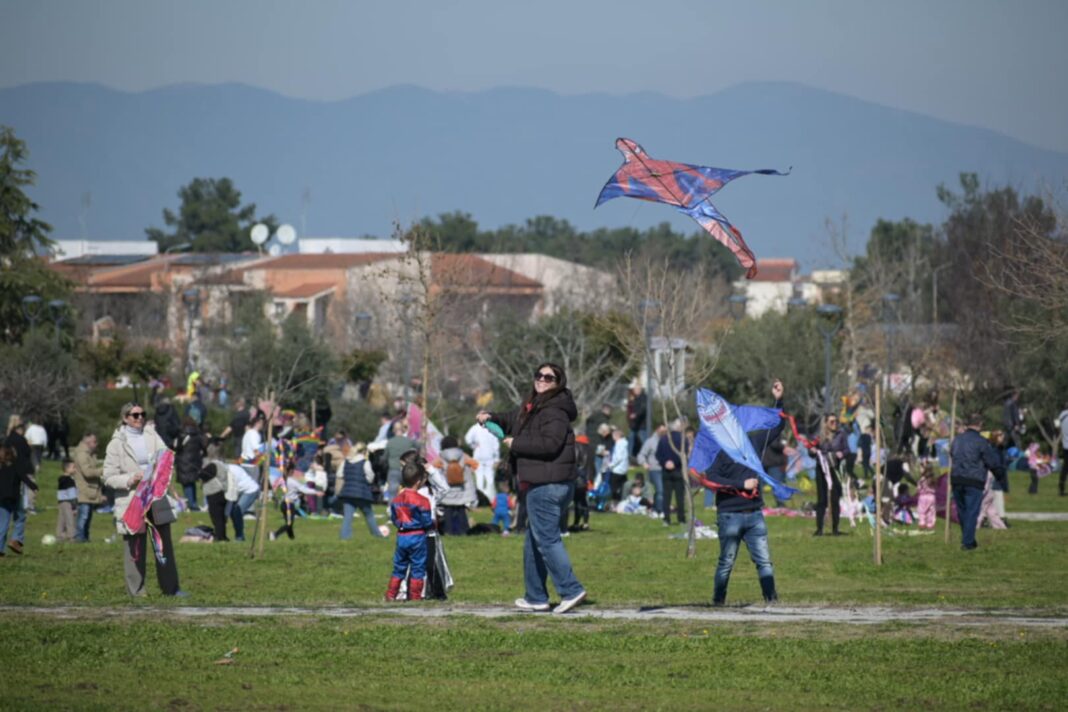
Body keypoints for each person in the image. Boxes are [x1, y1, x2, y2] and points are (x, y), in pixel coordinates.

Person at [479, 362, 587, 614]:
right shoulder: (536, 406)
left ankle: (571, 590)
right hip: (543, 483)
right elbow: (514, 419)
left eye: (549, 378)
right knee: (533, 541)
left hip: (549, 484)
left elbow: (549, 444)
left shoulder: (555, 410)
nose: (542, 380)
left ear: (558, 382)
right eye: (539, 375)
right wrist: (491, 417)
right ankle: (536, 596)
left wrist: (516, 443)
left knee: (547, 540)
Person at [691, 379, 785, 607]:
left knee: (765, 561)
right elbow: (712, 478)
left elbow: (778, 425)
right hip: (729, 514)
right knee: (726, 561)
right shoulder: (717, 450)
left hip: (754, 513)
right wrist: (741, 483)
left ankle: (771, 600)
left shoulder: (752, 441)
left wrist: (780, 399)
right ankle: (718, 600)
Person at [103, 402, 184, 596]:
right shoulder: (116, 443)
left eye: (142, 414)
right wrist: (131, 478)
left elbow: (165, 458)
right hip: (133, 500)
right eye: (135, 415)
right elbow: (108, 476)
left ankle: (171, 589)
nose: (140, 418)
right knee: (135, 548)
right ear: (125, 418)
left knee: (163, 545)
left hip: (156, 498)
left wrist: (159, 471)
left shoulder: (151, 434)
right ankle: (137, 591)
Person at [950, 413, 1005, 551]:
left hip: (956, 478)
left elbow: (952, 454)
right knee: (972, 511)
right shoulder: (981, 442)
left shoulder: (956, 440)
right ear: (980, 425)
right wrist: (999, 474)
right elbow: (991, 460)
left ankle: (969, 539)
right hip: (973, 480)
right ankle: (967, 543)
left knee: (962, 511)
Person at [385, 461, 435, 601]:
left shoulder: (396, 500)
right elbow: (426, 521)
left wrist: (401, 524)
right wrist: (431, 526)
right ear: (419, 481)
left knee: (399, 567)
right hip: (418, 536)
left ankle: (390, 594)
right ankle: (415, 597)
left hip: (402, 536)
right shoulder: (423, 500)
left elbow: (394, 518)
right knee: (418, 567)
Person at [0, 416, 38, 555]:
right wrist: (33, 485)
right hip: (14, 494)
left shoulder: (1, 465)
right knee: (20, 515)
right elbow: (23, 476)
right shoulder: (16, 464)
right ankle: (16, 539)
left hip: (1, 498)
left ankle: (0, 548)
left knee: (2, 523)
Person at [335, 442, 386, 540]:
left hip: (347, 493)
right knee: (369, 515)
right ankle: (377, 535)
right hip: (362, 493)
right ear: (364, 451)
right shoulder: (364, 462)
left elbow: (339, 474)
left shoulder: (346, 461)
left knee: (347, 517)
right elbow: (370, 477)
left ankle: (344, 537)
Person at [811, 413, 849, 536]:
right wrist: (812, 451)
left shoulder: (841, 434)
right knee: (821, 499)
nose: (835, 424)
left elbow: (847, 449)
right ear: (826, 423)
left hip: (835, 469)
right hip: (821, 469)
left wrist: (842, 454)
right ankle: (819, 529)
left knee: (835, 498)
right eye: (832, 422)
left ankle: (835, 528)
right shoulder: (819, 436)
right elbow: (812, 450)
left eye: (836, 421)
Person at [434, 436, 478, 536]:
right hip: (462, 490)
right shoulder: (464, 456)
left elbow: (434, 470)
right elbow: (475, 465)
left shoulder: (440, 458)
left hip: (447, 491)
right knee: (461, 511)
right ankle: (463, 530)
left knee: (448, 512)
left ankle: (448, 531)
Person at [71, 432, 105, 542]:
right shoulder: (82, 454)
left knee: (88, 516)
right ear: (88, 442)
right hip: (84, 489)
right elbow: (87, 472)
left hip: (90, 490)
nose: (96, 444)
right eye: (94, 441)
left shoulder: (89, 454)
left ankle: (85, 537)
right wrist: (103, 470)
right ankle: (79, 538)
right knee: (83, 516)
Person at [656, 419, 689, 526]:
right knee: (679, 497)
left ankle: (666, 519)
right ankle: (681, 519)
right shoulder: (683, 439)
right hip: (678, 470)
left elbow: (658, 454)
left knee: (667, 496)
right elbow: (684, 454)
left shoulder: (664, 439)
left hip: (666, 472)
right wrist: (675, 462)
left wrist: (665, 463)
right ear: (680, 427)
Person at [464, 419, 501, 500]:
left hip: (481, 456)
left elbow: (468, 439)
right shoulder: (491, 428)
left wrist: (473, 446)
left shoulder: (475, 428)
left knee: (481, 478)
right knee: (489, 478)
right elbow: (496, 445)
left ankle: (481, 498)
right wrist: (497, 458)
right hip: (487, 456)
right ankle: (490, 498)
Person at [175, 418, 207, 512]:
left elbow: (177, 448)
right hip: (194, 462)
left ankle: (191, 504)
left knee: (186, 483)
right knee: (192, 483)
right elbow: (204, 448)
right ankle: (193, 503)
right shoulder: (198, 435)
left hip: (183, 461)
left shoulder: (182, 434)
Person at [637, 424, 665, 519]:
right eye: (662, 431)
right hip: (654, 469)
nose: (663, 433)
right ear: (657, 430)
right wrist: (644, 463)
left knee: (660, 491)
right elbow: (641, 455)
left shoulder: (666, 440)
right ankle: (659, 510)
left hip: (665, 469)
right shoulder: (650, 442)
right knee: (660, 489)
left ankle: (656, 508)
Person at [55, 458, 78, 541]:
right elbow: (72, 494)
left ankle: (59, 535)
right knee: (70, 519)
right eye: (74, 467)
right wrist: (74, 507)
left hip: (61, 502)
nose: (75, 469)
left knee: (61, 519)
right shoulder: (70, 481)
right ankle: (71, 536)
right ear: (67, 469)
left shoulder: (61, 479)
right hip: (69, 502)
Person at [606, 426, 630, 505]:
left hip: (617, 470)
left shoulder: (619, 444)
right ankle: (622, 501)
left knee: (613, 487)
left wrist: (611, 465)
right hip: (623, 469)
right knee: (623, 487)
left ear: (617, 436)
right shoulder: (624, 444)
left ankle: (614, 503)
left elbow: (618, 457)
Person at [626, 384, 648, 459]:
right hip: (635, 424)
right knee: (631, 438)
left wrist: (636, 414)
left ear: (639, 390)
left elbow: (643, 409)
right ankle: (629, 456)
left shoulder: (643, 398)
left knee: (644, 440)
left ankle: (647, 455)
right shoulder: (635, 398)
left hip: (641, 424)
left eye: (636, 389)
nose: (634, 391)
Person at [915, 463, 937, 531]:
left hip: (923, 497)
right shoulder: (933, 478)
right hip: (932, 497)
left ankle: (922, 523)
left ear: (925, 469)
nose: (920, 469)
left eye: (921, 468)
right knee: (931, 511)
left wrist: (917, 491)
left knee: (922, 511)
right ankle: (930, 524)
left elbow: (918, 488)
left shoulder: (922, 479)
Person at [1057, 403, 1068, 497]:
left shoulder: (1061, 416)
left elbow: (1057, 426)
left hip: (1065, 445)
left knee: (1065, 468)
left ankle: (1061, 488)